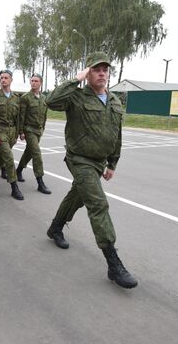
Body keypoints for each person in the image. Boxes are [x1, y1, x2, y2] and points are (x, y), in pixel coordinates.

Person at [45, 52, 137, 289]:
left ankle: (55, 227)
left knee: (78, 197)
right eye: (97, 69)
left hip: (98, 162)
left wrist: (112, 163)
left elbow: (116, 134)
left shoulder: (115, 101)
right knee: (98, 204)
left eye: (105, 69)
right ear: (88, 72)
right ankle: (113, 264)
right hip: (79, 159)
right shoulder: (76, 96)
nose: (102, 73)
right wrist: (75, 80)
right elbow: (51, 101)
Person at [0, 69, 24, 200]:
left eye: (6, 78)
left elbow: (18, 118)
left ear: (11, 80)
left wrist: (19, 132)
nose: (3, 80)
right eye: (1, 78)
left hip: (12, 132)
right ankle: (14, 187)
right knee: (8, 158)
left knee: (2, 157)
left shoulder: (16, 98)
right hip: (0, 131)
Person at [16, 73, 51, 194]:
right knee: (36, 153)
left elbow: (45, 115)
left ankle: (19, 170)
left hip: (38, 130)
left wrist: (43, 128)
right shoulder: (26, 97)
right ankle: (40, 182)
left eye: (36, 81)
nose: (33, 83)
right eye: (32, 81)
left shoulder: (44, 98)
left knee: (29, 152)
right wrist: (21, 131)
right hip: (29, 129)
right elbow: (21, 116)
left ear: (40, 83)